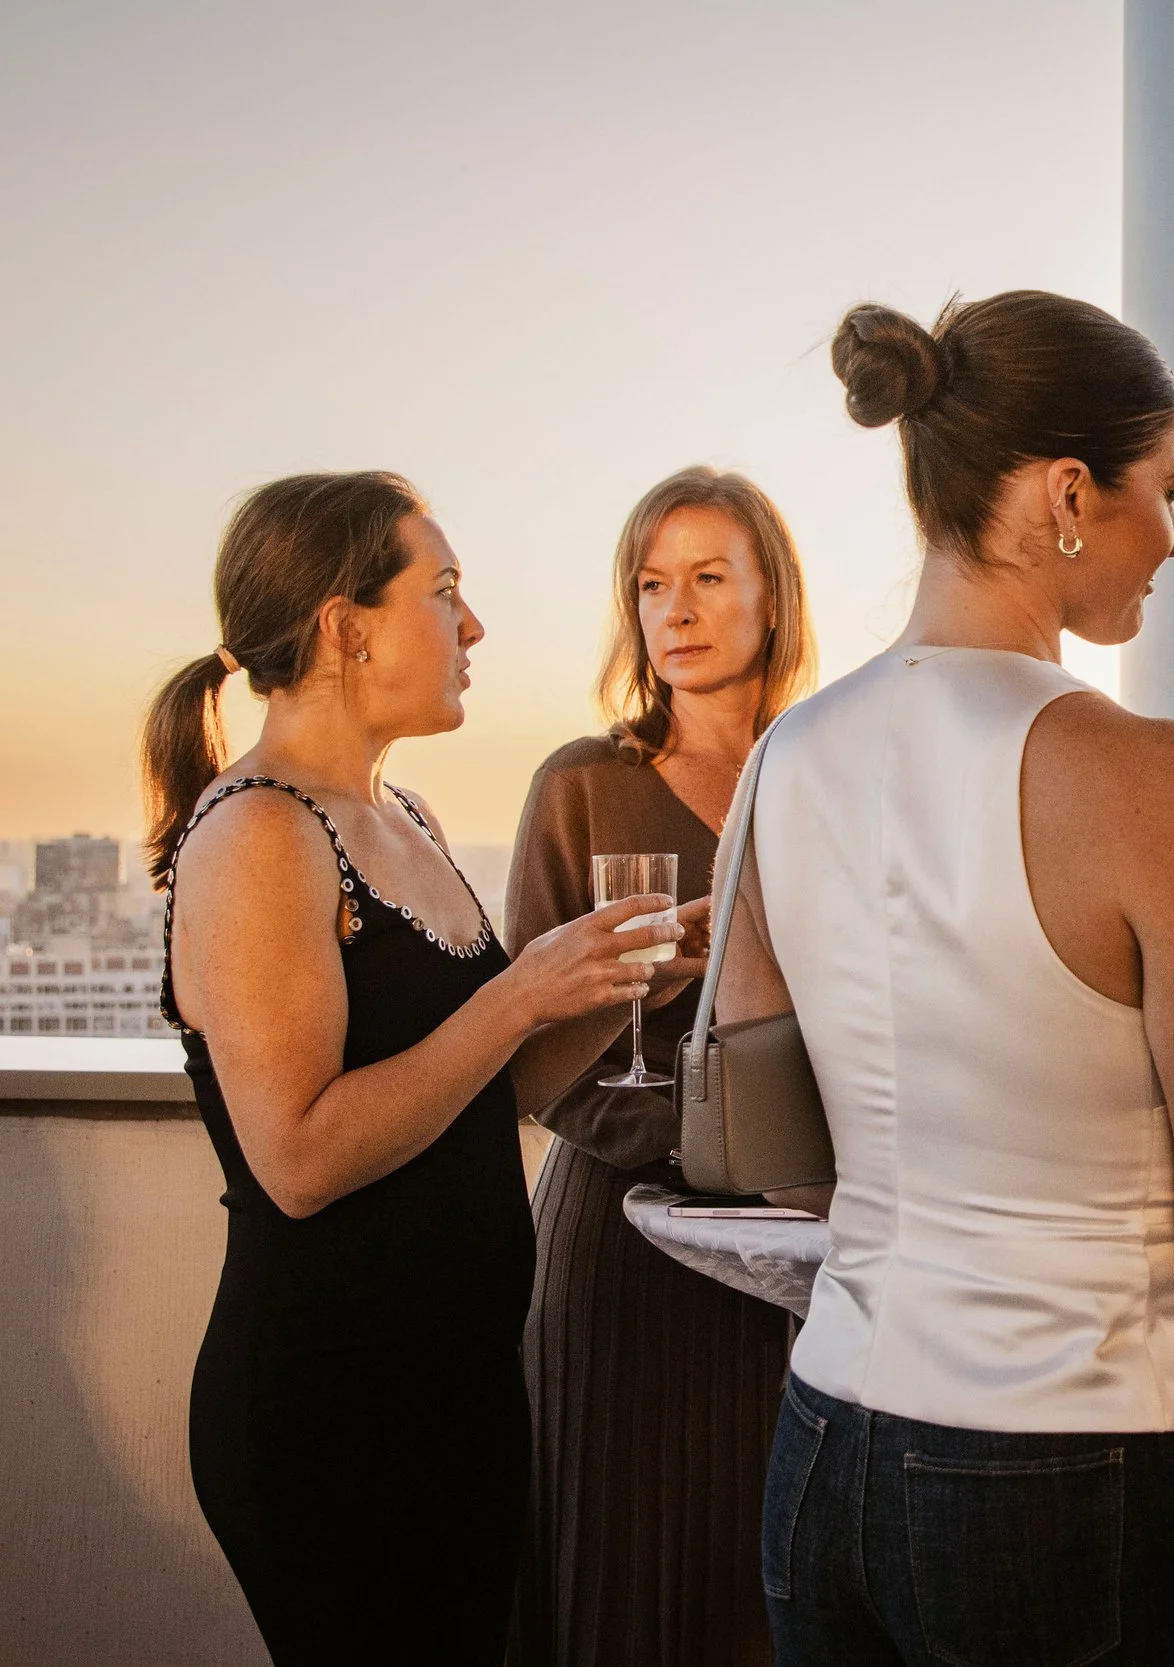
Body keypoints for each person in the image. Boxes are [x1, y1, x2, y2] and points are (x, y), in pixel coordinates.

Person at [716, 291, 1174, 1666]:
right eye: (1171, 489)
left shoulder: (786, 757)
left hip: (822, 1446)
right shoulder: (1162, 778)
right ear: (1067, 493)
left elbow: (777, 1148)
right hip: (1061, 1452)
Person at [143, 472, 699, 1666]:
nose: (475, 624)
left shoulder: (406, 815)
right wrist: (515, 992)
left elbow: (477, 1088)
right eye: (444, 590)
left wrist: (614, 985)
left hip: (455, 1389)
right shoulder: (257, 834)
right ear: (347, 627)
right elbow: (297, 1156)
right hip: (330, 1410)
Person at [505, 466, 818, 1667]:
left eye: (707, 577)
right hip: (624, 1245)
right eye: (650, 583)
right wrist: (713, 1143)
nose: (674, 609)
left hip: (804, 1250)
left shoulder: (831, 773)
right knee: (615, 1594)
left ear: (771, 598)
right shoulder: (584, 784)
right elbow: (536, 1057)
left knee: (775, 1597)